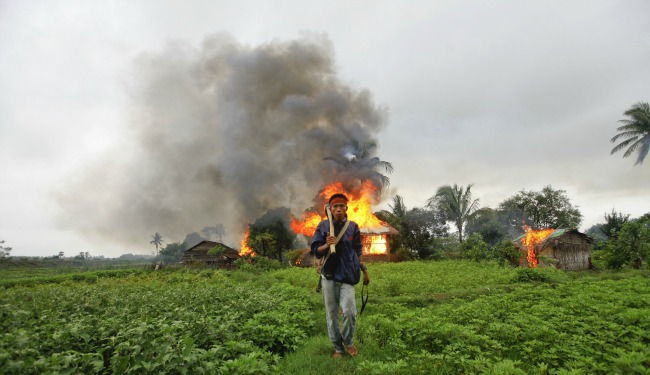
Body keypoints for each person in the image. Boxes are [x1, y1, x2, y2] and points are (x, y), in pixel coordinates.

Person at [311, 193, 370, 359]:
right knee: (332, 314)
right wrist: (326, 245)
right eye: (335, 206)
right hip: (329, 275)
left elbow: (358, 250)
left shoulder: (352, 227)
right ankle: (338, 347)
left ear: (346, 208)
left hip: (347, 275)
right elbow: (316, 250)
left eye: (341, 206)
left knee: (350, 311)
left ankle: (349, 341)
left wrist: (364, 270)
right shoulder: (323, 226)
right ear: (330, 209)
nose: (338, 209)